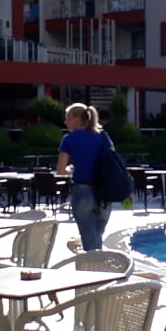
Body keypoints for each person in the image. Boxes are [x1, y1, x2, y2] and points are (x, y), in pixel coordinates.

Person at [56, 102, 112, 252]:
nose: (65, 122)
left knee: (89, 239)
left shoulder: (69, 139)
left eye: (67, 118)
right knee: (96, 237)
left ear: (76, 118)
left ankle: (93, 264)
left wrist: (71, 169)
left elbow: (60, 170)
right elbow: (113, 162)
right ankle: (99, 262)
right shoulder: (103, 136)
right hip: (104, 193)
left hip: (83, 191)